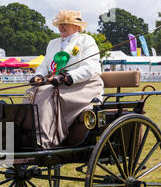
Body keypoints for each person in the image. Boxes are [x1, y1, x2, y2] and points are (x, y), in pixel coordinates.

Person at [23, 10, 103, 148]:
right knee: (30, 92)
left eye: (65, 24)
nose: (61, 27)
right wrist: (39, 76)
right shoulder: (53, 43)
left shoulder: (86, 40)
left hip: (84, 85)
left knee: (46, 93)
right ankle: (25, 135)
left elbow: (89, 67)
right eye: (60, 24)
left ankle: (43, 139)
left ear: (77, 26)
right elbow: (45, 65)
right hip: (57, 84)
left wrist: (67, 77)